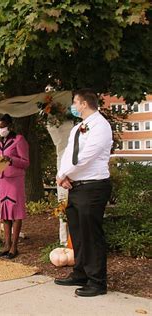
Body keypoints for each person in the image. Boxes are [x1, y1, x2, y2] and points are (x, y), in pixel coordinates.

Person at [54, 89, 112, 297]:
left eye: (75, 103)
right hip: (76, 187)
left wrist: (65, 173)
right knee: (77, 233)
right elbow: (69, 154)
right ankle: (80, 272)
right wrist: (62, 174)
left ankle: (97, 282)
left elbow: (87, 155)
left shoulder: (101, 126)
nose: (73, 106)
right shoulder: (78, 127)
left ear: (84, 103)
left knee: (91, 234)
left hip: (94, 186)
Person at [0, 114, 30, 259]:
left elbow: (26, 162)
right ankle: (6, 245)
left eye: (3, 127)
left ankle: (14, 247)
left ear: (10, 126)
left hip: (15, 180)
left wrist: (11, 159)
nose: (1, 130)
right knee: (5, 213)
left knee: (15, 213)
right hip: (2, 179)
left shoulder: (19, 140)